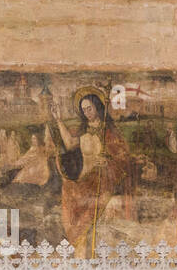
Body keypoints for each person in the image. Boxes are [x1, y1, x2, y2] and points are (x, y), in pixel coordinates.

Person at [49, 91, 134, 254]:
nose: (87, 112)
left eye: (89, 108)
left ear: (98, 107)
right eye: (84, 110)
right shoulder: (83, 130)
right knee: (69, 194)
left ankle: (83, 249)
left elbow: (123, 158)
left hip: (101, 182)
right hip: (82, 181)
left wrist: (107, 162)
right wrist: (58, 119)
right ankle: (77, 248)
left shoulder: (109, 131)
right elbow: (70, 144)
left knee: (90, 215)